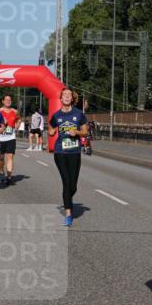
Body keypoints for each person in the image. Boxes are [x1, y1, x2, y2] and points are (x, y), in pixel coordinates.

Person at [48, 88, 88, 226]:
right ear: (60, 98)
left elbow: (85, 132)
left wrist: (76, 132)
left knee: (73, 186)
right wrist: (52, 132)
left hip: (74, 152)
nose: (66, 96)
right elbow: (51, 128)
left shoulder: (79, 114)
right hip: (60, 153)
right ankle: (68, 214)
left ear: (72, 98)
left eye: (69, 95)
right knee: (66, 182)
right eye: (64, 94)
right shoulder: (56, 115)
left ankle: (67, 200)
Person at [0, 94, 22, 186]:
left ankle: (9, 177)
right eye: (6, 100)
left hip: (11, 137)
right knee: (1, 157)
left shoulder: (15, 112)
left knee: (10, 156)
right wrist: (1, 123)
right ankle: (0, 172)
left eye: (10, 100)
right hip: (0, 137)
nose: (8, 101)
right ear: (3, 101)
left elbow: (19, 119)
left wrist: (17, 127)